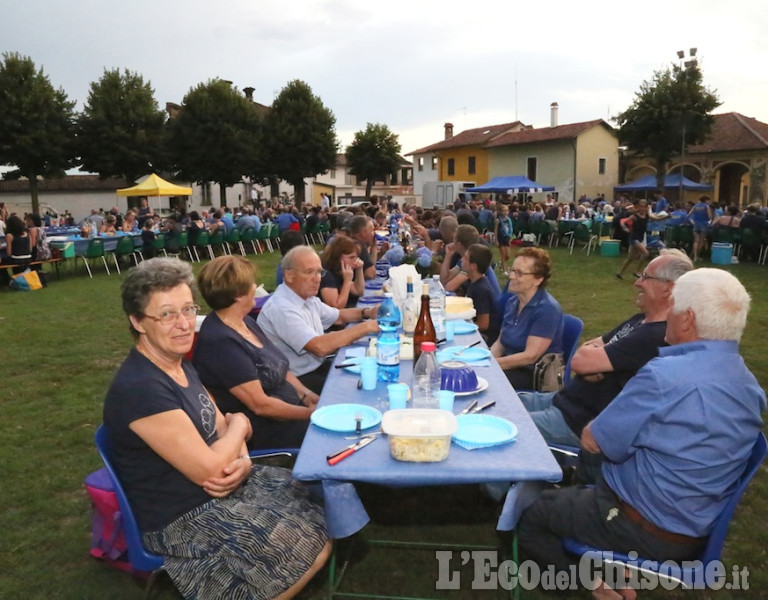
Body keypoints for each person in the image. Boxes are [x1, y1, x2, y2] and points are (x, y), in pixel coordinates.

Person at [518, 268, 765, 599]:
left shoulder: (665, 376)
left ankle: (594, 591)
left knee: (534, 516)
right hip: (694, 527)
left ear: (688, 319)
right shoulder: (750, 385)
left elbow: (595, 439)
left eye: (674, 308)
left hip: (641, 525)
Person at [103, 258, 330, 599]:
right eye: (166, 314)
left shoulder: (177, 365)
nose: (183, 324)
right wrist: (239, 428)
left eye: (187, 309)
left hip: (220, 486)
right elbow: (218, 455)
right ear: (137, 321)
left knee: (317, 499)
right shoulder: (142, 388)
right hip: (181, 515)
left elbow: (221, 423)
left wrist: (243, 458)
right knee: (305, 540)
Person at [519, 249, 693, 481]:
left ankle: (491, 493)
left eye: (645, 277)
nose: (637, 282)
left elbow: (581, 361)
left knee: (510, 427)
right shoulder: (640, 320)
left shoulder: (654, 336)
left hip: (576, 421)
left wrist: (594, 361)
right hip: (565, 400)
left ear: (668, 288)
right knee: (504, 404)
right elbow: (586, 351)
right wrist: (597, 362)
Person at [194, 256, 317, 450]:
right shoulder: (220, 343)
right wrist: (311, 414)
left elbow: (279, 367)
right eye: (250, 283)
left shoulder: (245, 322)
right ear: (238, 295)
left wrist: (306, 394)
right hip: (265, 429)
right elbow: (261, 405)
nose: (255, 287)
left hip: (289, 412)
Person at [257, 246, 380, 394]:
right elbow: (319, 347)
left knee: (371, 374)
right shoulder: (281, 308)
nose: (317, 279)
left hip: (317, 368)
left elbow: (338, 316)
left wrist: (369, 312)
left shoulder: (305, 297)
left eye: (319, 272)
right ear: (288, 275)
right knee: (361, 387)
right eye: (309, 272)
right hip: (298, 381)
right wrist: (367, 327)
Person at [491, 247, 564, 390]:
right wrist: (485, 359)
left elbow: (530, 356)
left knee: (484, 382)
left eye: (519, 273)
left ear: (537, 280)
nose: (511, 277)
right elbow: (501, 342)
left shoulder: (547, 309)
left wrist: (492, 365)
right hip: (509, 365)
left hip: (532, 374)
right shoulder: (513, 302)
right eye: (512, 270)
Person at [461, 244, 501, 344]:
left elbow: (483, 324)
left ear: (473, 266)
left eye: (465, 258)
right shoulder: (474, 282)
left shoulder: (480, 290)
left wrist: (462, 328)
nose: (462, 260)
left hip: (485, 337)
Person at [319, 235, 365, 309]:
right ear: (338, 257)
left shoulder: (341, 272)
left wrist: (359, 269)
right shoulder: (327, 276)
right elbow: (336, 307)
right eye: (351, 257)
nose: (356, 261)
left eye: (356, 257)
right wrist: (347, 281)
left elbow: (358, 291)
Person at [1, 215, 32, 283]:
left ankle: (8, 280)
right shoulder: (27, 234)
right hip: (28, 258)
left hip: (16, 259)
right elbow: (30, 249)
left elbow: (9, 253)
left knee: (2, 264)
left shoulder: (10, 236)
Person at [687, 194, 712, 262]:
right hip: (703, 224)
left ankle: (694, 257)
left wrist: (693, 221)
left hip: (696, 224)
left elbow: (689, 215)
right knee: (701, 241)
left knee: (696, 241)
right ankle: (697, 256)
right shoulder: (706, 206)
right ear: (705, 200)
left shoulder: (695, 206)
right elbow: (709, 217)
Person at [494, 204, 513, 272]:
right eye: (503, 211)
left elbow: (510, 229)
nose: (505, 212)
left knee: (508, 255)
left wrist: (510, 237)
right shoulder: (498, 220)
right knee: (503, 254)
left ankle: (501, 263)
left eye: (507, 210)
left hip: (506, 237)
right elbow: (495, 231)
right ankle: (504, 269)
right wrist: (496, 240)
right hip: (500, 238)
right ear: (500, 211)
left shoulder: (509, 220)